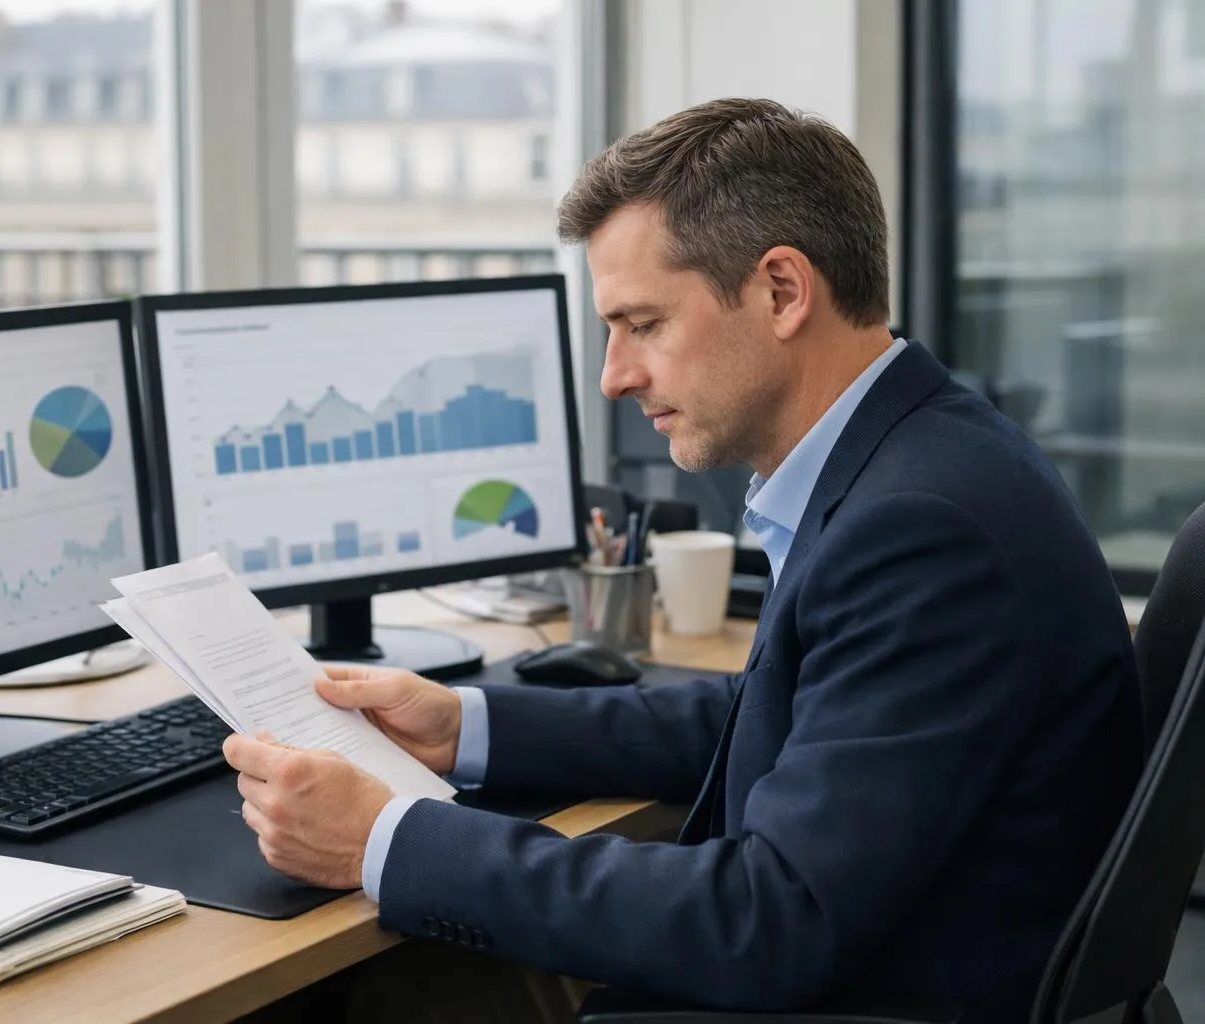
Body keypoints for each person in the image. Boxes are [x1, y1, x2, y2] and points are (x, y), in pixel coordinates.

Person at [223, 97, 1141, 1020]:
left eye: (644, 324)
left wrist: (382, 836)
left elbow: (766, 922)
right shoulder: (920, 451)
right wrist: (467, 728)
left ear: (783, 291)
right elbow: (783, 716)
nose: (615, 375)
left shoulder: (922, 529)